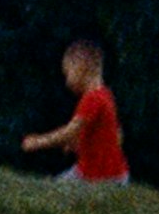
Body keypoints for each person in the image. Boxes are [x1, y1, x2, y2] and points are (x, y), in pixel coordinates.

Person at [20, 37, 128, 189]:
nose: (67, 81)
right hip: (115, 175)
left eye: (68, 73)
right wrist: (81, 144)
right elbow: (117, 134)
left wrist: (38, 142)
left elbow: (70, 131)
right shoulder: (106, 95)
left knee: (50, 193)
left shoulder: (92, 99)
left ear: (81, 68)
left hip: (98, 178)